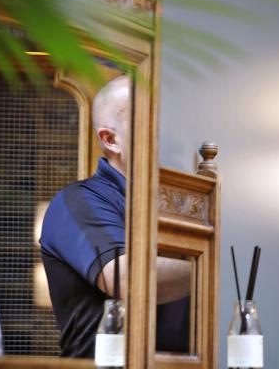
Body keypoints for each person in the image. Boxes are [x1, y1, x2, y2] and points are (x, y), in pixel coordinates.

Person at [40, 75, 192, 357]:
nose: (163, 128)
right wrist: (207, 267)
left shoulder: (183, 207)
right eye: (149, 116)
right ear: (111, 140)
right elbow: (124, 278)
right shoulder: (77, 202)